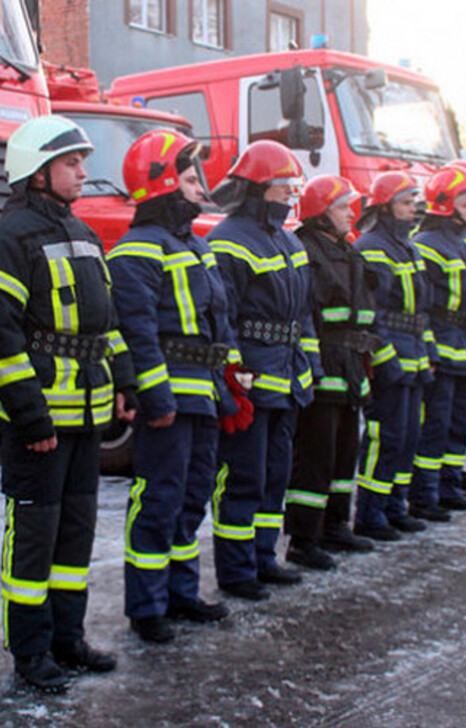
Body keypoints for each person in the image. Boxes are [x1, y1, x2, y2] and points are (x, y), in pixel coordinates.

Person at [0, 115, 136, 693]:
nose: (82, 174)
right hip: (41, 423)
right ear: (37, 173)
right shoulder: (7, 239)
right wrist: (28, 414)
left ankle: (69, 638)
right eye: (71, 164)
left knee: (75, 536)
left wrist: (124, 380)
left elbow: (107, 322)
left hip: (88, 416)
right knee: (35, 539)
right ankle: (31, 650)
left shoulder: (85, 234)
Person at [106, 129, 232, 644]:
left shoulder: (194, 244)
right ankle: (147, 605)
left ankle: (181, 592)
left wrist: (226, 386)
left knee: (194, 494)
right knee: (159, 498)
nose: (200, 187)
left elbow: (217, 322)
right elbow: (137, 333)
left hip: (201, 391)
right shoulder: (135, 251)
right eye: (187, 176)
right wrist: (154, 398)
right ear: (160, 184)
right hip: (170, 398)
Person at [206, 140, 320, 601]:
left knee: (275, 473)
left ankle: (263, 557)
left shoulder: (289, 239)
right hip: (252, 380)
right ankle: (235, 569)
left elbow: (304, 315)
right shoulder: (227, 241)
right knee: (243, 475)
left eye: (294, 186)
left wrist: (311, 365)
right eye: (283, 186)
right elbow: (223, 318)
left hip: (287, 377)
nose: (291, 194)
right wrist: (232, 378)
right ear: (258, 188)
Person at [285, 175, 397, 569]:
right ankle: (303, 538)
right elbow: (311, 315)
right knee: (316, 454)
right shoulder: (307, 250)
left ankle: (335, 524)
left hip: (350, 364)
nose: (350, 213)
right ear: (320, 213)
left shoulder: (349, 252)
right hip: (324, 365)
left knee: (345, 451)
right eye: (341, 207)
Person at [354, 171, 442, 542]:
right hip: (393, 359)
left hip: (415, 356)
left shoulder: (409, 247)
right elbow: (372, 313)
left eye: (413, 202)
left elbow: (422, 308)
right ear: (385, 207)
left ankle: (395, 505)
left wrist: (430, 349)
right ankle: (371, 513)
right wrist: (387, 359)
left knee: (408, 437)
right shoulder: (371, 247)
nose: (413, 210)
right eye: (405, 203)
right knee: (384, 437)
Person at [409, 165, 466, 507]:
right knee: (435, 425)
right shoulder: (426, 245)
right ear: (446, 203)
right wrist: (430, 350)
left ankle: (450, 486)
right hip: (442, 347)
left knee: (459, 423)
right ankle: (426, 494)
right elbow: (421, 305)